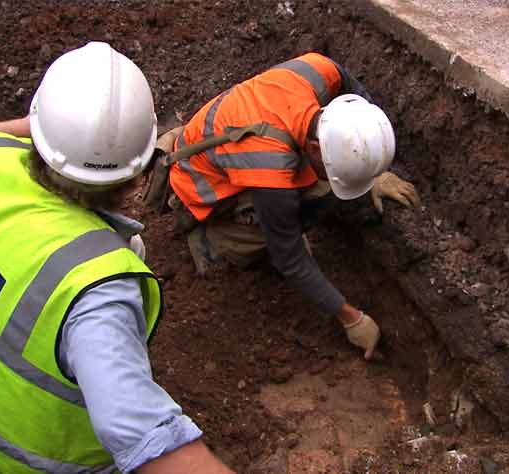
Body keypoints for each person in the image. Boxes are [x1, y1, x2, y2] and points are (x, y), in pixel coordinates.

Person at [0, 42, 233, 473]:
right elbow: (142, 435)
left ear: (38, 128)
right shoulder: (97, 286)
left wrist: (32, 127)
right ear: (136, 171)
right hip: (16, 460)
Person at [161, 52, 420, 360]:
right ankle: (211, 244)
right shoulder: (268, 166)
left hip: (226, 147)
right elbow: (290, 258)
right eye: (327, 165)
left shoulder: (319, 70)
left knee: (321, 190)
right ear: (313, 147)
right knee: (310, 203)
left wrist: (375, 169)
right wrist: (352, 319)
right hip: (200, 189)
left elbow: (360, 107)